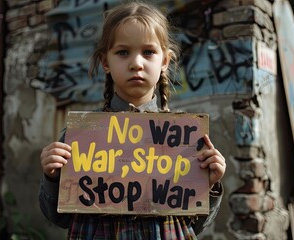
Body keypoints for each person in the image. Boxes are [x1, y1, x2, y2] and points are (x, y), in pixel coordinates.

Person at [39, 1, 226, 239]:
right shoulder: (82, 137)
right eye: (123, 52)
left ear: (165, 62)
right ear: (105, 62)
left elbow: (196, 226)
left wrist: (209, 184)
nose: (136, 63)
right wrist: (52, 177)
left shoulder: (186, 142)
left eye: (148, 52)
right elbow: (59, 217)